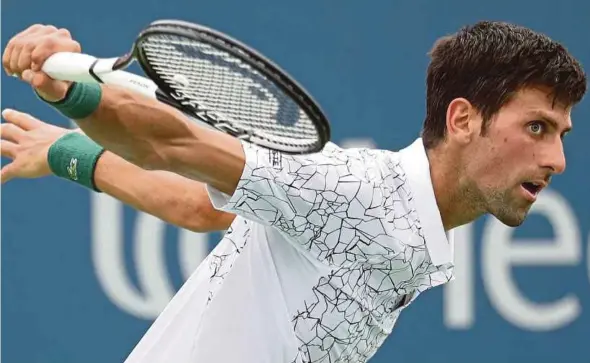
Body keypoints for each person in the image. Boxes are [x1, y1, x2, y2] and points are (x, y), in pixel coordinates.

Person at [2, 20, 586, 362]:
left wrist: (66, 152)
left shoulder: (408, 225)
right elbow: (171, 142)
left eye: (560, 134)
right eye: (536, 128)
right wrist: (72, 93)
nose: (556, 159)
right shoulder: (357, 195)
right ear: (462, 121)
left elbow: (198, 208)